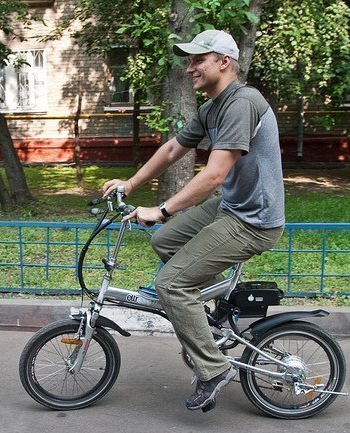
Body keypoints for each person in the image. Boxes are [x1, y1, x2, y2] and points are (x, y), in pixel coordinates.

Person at [102, 29, 285, 411]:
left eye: (198, 60)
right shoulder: (212, 108)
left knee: (171, 284)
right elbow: (173, 148)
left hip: (254, 220)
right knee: (164, 241)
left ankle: (213, 369)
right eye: (188, 61)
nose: (189, 69)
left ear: (224, 62)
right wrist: (131, 184)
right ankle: (206, 314)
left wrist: (162, 210)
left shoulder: (242, 103)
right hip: (232, 205)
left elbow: (214, 175)